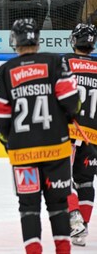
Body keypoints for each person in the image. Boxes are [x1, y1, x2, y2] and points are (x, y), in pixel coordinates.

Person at [0, 18, 79, 254]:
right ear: (37, 40)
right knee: (59, 205)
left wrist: (12, 142)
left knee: (28, 206)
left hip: (23, 153)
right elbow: (73, 104)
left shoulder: (4, 71)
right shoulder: (56, 62)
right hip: (56, 151)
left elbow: (0, 119)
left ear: (15, 41)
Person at [63, 23, 97, 247]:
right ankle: (81, 227)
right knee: (86, 181)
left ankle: (74, 218)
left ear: (74, 41)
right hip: (92, 135)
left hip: (66, 133)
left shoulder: (64, 62)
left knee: (61, 179)